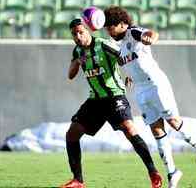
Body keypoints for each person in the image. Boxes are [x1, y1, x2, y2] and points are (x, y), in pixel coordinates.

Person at [104, 6, 196, 188]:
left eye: (111, 26)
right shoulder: (117, 46)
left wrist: (150, 37)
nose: (109, 30)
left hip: (156, 84)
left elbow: (150, 33)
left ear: (122, 24)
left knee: (174, 123)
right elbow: (131, 62)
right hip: (140, 89)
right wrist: (130, 75)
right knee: (156, 130)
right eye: (107, 28)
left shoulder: (133, 32)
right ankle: (172, 172)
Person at [60, 18, 162, 188]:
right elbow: (70, 75)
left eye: (81, 32)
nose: (78, 36)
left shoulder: (103, 44)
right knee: (72, 134)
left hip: (115, 96)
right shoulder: (77, 51)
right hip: (95, 100)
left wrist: (130, 73)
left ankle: (153, 172)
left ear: (89, 30)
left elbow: (123, 56)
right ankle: (78, 181)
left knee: (129, 130)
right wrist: (77, 62)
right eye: (74, 34)